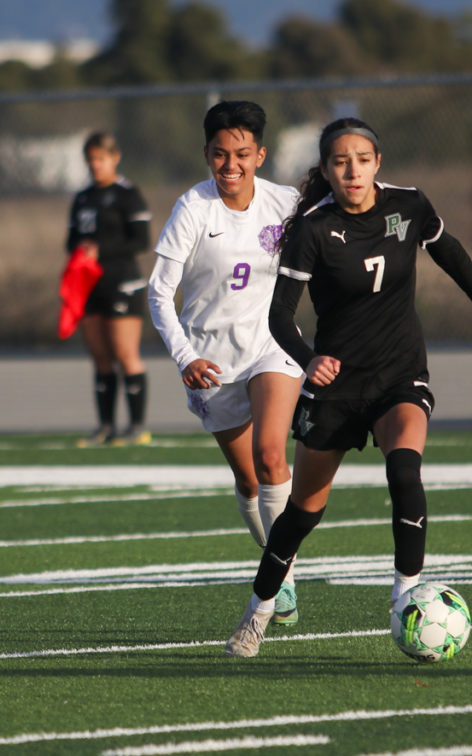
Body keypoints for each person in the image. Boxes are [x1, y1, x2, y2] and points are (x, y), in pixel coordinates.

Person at [223, 117, 472, 657]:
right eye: (340, 161)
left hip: (398, 373)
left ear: (377, 163)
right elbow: (279, 316)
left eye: (362, 159)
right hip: (337, 388)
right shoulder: (312, 228)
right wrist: (309, 362)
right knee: (301, 515)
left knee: (405, 471)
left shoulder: (409, 206)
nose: (352, 170)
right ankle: (260, 608)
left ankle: (406, 594)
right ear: (328, 170)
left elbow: (453, 257)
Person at [148, 100, 304, 625]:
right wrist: (185, 356)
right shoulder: (192, 209)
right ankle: (275, 560)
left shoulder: (286, 203)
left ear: (260, 154)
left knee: (270, 456)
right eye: (220, 154)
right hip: (210, 361)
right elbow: (158, 293)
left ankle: (274, 581)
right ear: (207, 154)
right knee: (248, 482)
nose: (230, 165)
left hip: (271, 346)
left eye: (242, 154)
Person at [66, 132, 153, 447]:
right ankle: (104, 426)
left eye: (100, 159)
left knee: (125, 354)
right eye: (90, 160)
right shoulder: (83, 197)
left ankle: (137, 427)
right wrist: (82, 250)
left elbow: (141, 241)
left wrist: (100, 250)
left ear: (114, 158)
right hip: (89, 285)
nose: (95, 165)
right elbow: (71, 241)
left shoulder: (127, 195)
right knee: (100, 356)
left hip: (122, 282)